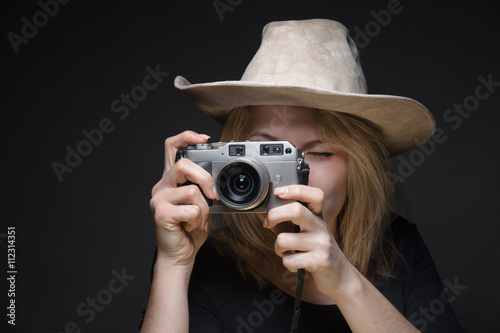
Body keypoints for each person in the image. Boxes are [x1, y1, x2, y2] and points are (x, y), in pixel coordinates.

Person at [140, 19, 463, 332]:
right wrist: (173, 266)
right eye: (266, 152)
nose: (294, 175)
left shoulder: (398, 247)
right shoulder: (203, 257)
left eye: (319, 152)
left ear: (357, 167)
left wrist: (345, 281)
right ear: (233, 154)